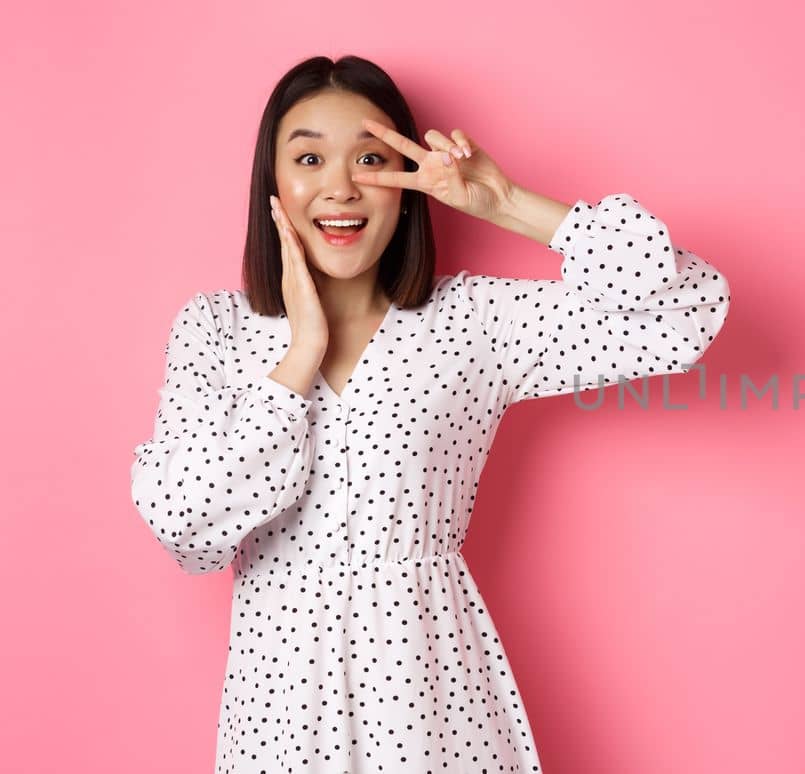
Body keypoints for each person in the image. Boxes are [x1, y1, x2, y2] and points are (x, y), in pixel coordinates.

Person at [128, 54, 730, 773]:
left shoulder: (471, 322)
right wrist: (300, 355)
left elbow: (686, 312)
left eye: (371, 158)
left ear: (406, 187)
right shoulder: (216, 332)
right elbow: (185, 525)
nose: (340, 186)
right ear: (273, 184)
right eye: (310, 157)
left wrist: (504, 203)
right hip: (278, 708)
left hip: (431, 700)